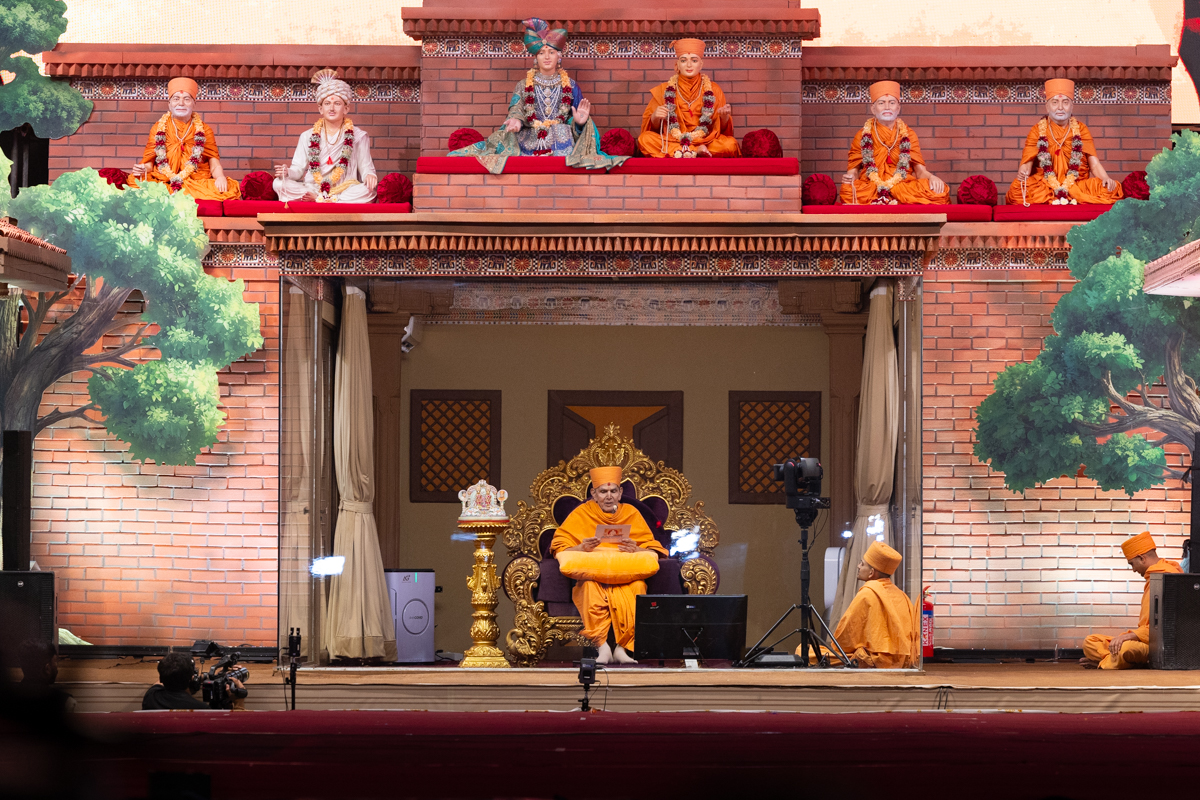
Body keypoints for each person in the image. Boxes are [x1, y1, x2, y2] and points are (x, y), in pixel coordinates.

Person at [449, 18, 626, 173]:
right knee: (501, 143)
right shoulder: (523, 84)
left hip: (561, 139)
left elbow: (576, 116)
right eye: (541, 53)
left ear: (559, 56)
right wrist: (516, 120)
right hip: (529, 136)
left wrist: (579, 124)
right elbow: (516, 108)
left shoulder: (571, 85)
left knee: (567, 134)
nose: (546, 57)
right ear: (536, 58)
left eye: (551, 52)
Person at [550, 466, 668, 664]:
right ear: (594, 494)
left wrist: (636, 548)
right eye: (603, 491)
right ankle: (602, 647)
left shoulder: (631, 513)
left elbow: (652, 547)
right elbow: (559, 546)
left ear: (620, 493)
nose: (608, 496)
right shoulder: (582, 513)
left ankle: (623, 648)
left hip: (626, 575)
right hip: (594, 575)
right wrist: (581, 547)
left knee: (638, 587)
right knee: (588, 587)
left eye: (613, 491)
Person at [1005, 78, 1124, 206]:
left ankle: (1070, 195)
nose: (1060, 107)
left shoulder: (1081, 129)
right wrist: (1023, 172)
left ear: (1072, 106)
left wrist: (1105, 178)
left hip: (1077, 185)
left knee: (1112, 189)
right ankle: (1063, 197)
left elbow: (1094, 164)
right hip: (1046, 186)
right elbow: (1027, 163)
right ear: (1047, 106)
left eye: (1065, 102)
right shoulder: (1037, 130)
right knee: (1016, 190)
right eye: (1055, 102)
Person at [802, 541, 919, 668]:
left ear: (871, 572)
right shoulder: (902, 595)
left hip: (873, 660)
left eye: (862, 564)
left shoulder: (868, 592)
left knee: (805, 652)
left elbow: (844, 639)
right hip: (902, 661)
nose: (858, 566)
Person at [1081, 531, 1182, 669]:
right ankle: (1117, 660)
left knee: (1126, 648)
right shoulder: (1153, 577)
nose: (1134, 570)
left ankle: (1105, 662)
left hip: (1159, 644)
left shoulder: (1168, 577)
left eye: (1132, 564)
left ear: (1142, 558)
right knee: (1090, 641)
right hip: (1145, 639)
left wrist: (1130, 636)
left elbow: (1166, 627)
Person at [129, 77, 241, 201]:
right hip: (164, 179)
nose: (181, 103)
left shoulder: (204, 130)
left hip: (195, 181)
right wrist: (143, 168)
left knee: (229, 188)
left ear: (194, 103)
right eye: (176, 99)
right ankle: (178, 193)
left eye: (186, 99)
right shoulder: (158, 128)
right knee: (134, 180)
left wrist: (220, 177)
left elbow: (214, 164)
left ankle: (177, 194)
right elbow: (149, 162)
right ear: (169, 104)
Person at [274, 69, 378, 203]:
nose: (332, 108)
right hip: (313, 187)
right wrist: (287, 172)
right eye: (327, 103)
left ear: (346, 109)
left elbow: (366, 167)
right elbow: (298, 169)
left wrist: (370, 175)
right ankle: (325, 198)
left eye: (337, 103)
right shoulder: (307, 136)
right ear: (320, 109)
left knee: (369, 190)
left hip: (345, 189)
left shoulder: (358, 136)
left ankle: (324, 200)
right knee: (278, 183)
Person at [839, 81, 948, 205]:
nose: (887, 107)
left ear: (898, 108)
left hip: (903, 186)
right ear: (873, 109)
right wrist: (850, 179)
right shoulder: (862, 134)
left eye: (892, 103)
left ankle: (890, 198)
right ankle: (893, 199)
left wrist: (932, 177)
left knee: (940, 191)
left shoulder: (908, 134)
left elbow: (920, 171)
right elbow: (853, 171)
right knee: (847, 191)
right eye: (881, 103)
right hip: (871, 187)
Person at [637, 39, 739, 158]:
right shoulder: (664, 90)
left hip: (706, 141)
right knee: (645, 140)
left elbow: (722, 131)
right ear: (677, 65)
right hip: (673, 140)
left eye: (694, 60)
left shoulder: (714, 89)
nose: (689, 65)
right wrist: (655, 117)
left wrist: (724, 117)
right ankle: (695, 152)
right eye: (684, 60)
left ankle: (684, 152)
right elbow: (652, 129)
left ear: (701, 64)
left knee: (730, 144)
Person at [16, 639, 76, 712]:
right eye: (55, 662)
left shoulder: (6, 698)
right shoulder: (66, 702)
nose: (57, 669)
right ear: (47, 668)